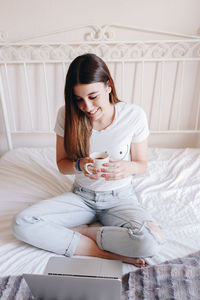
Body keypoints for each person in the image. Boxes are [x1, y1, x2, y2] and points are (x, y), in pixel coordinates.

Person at [12, 53, 164, 267]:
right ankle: (101, 253)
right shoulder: (66, 115)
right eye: (79, 99)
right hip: (81, 198)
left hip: (120, 198)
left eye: (93, 97)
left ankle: (85, 233)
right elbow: (62, 165)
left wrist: (126, 168)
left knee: (150, 240)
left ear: (108, 86)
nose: (87, 107)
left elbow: (142, 164)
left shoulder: (133, 115)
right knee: (22, 222)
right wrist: (79, 165)